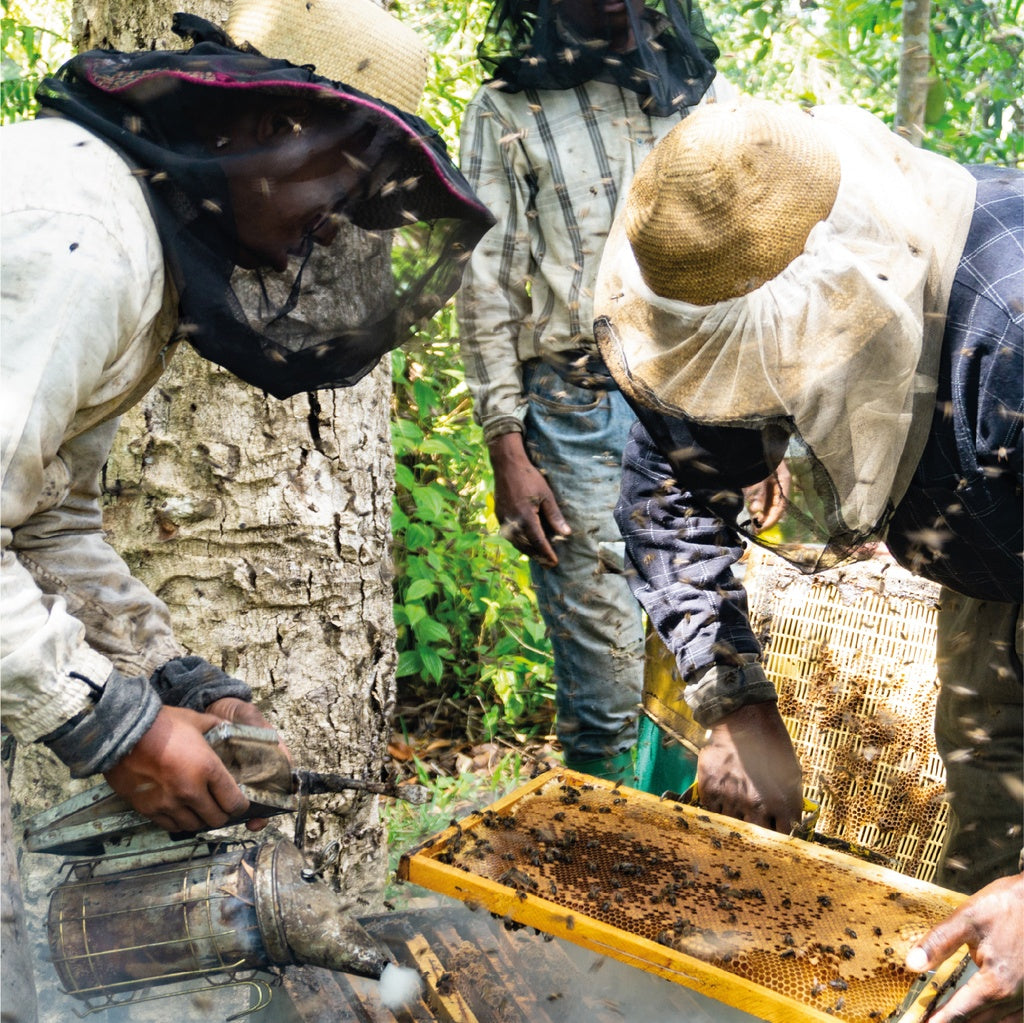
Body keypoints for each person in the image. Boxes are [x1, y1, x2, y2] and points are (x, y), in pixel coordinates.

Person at [1, 7, 493, 1019]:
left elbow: (46, 522)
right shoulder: (80, 238)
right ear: (249, 132)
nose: (331, 228)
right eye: (332, 186)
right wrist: (109, 724)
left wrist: (164, 672)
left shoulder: (126, 233)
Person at [593, 97, 1022, 1022]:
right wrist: (730, 694)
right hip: (997, 563)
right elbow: (671, 480)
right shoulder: (725, 259)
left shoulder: (1009, 339)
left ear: (841, 299)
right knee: (992, 893)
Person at [456, 0, 727, 782]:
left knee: (699, 670)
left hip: (698, 403)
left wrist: (762, 424)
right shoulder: (505, 109)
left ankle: (667, 858)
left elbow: (746, 264)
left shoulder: (702, 99)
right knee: (605, 687)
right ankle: (591, 872)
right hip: (576, 410)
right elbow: (486, 284)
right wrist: (506, 445)